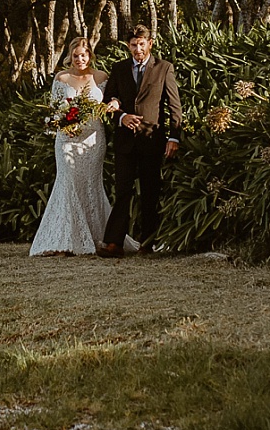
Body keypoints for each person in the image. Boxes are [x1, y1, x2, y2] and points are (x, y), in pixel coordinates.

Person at [29, 37, 117, 258]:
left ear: (90, 55)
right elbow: (54, 110)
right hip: (67, 139)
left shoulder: (102, 77)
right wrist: (64, 125)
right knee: (68, 182)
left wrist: (114, 105)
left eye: (84, 54)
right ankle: (65, 240)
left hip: (93, 140)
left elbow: (111, 102)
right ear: (70, 56)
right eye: (76, 55)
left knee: (90, 184)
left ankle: (95, 236)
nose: (80, 59)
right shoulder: (62, 77)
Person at [99, 24, 180, 257]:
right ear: (128, 46)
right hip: (125, 140)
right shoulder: (119, 68)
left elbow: (174, 105)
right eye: (133, 45)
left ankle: (148, 242)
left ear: (150, 43)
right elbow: (108, 100)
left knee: (150, 191)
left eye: (141, 44)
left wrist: (174, 136)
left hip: (152, 139)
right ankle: (114, 243)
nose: (137, 49)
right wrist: (122, 116)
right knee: (123, 190)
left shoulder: (164, 68)